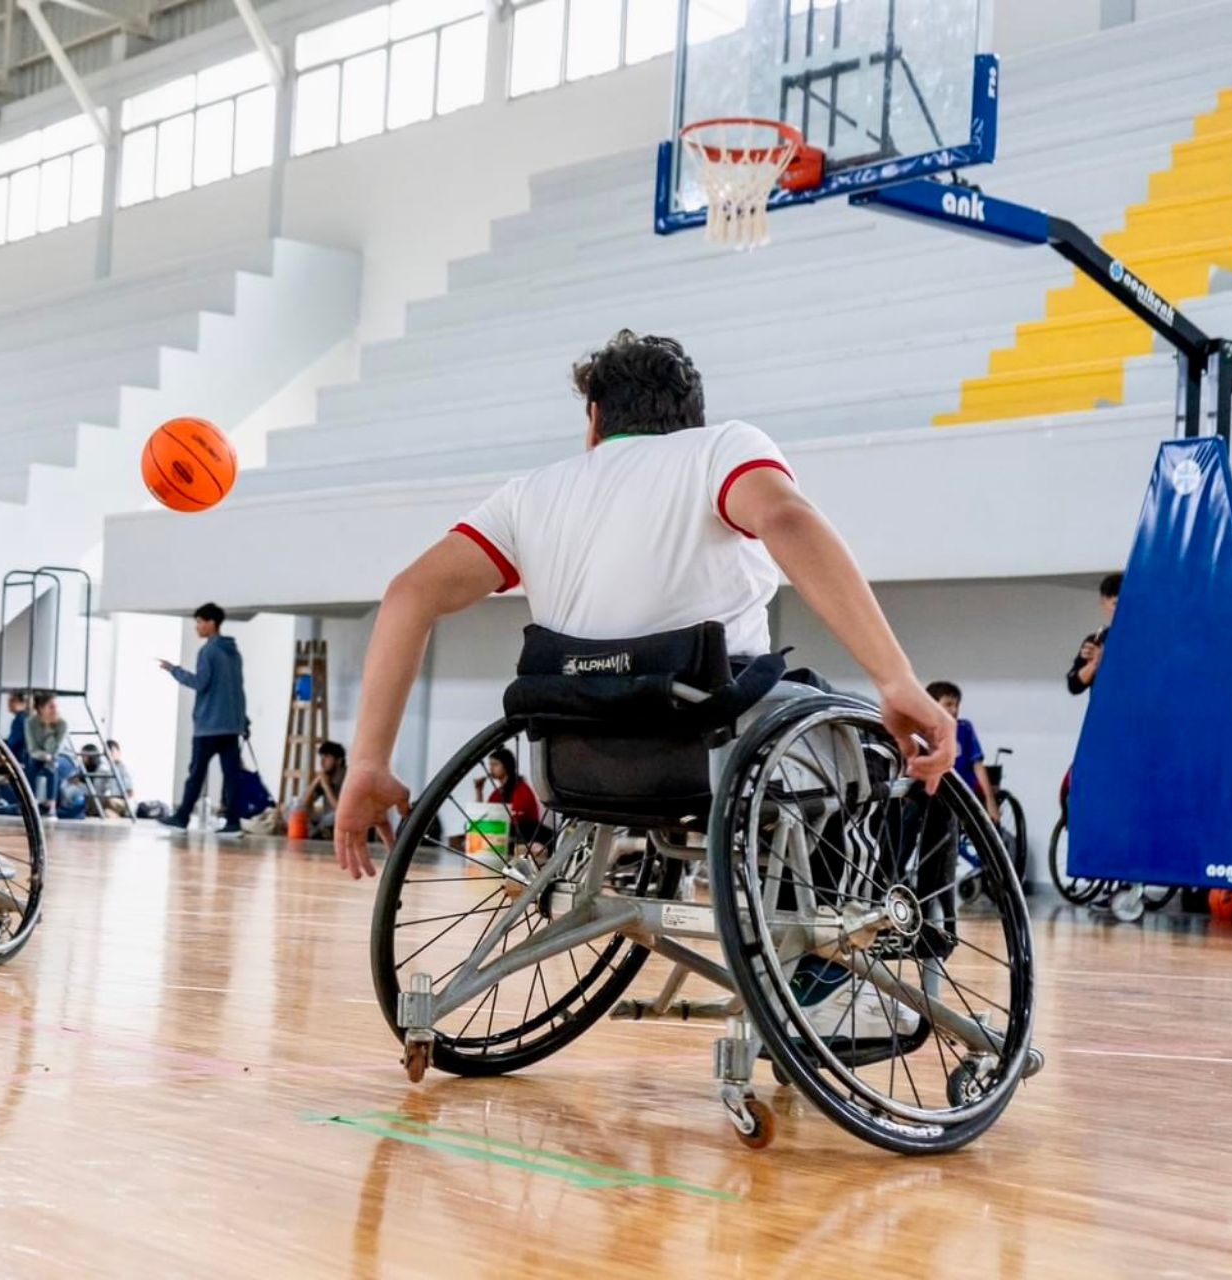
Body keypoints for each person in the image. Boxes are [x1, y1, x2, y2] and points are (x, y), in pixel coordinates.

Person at [332, 330, 956, 1035]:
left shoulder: (529, 495)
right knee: (878, 755)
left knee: (794, 716)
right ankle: (828, 983)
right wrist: (896, 679)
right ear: (691, 418)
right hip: (714, 753)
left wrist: (369, 762)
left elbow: (408, 594)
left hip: (577, 768)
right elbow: (786, 517)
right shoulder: (720, 449)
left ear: (594, 417)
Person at [158, 603, 249, 838]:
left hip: (209, 726)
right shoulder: (234, 653)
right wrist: (243, 721)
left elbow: (200, 683)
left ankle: (182, 817)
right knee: (231, 776)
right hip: (231, 726)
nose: (197, 627)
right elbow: (238, 689)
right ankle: (233, 823)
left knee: (196, 774)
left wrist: (174, 670)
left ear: (211, 623)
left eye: (199, 622)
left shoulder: (208, 651)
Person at [927, 680, 1000, 822]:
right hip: (933, 790)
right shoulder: (922, 730)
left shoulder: (964, 728)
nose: (954, 710)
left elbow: (977, 765)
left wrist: (990, 800)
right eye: (948, 704)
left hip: (961, 790)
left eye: (957, 705)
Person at [474, 746, 543, 848]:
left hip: (524, 836)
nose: (491, 769)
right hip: (505, 835)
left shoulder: (521, 789)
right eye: (490, 765)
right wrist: (479, 791)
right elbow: (482, 815)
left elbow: (516, 818)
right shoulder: (497, 793)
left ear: (506, 766)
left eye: (495, 764)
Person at [1067, 573, 1121, 695]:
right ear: (1103, 603)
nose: (1122, 609)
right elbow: (1074, 686)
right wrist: (1095, 663)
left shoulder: (1147, 639)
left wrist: (1107, 659)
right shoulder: (1096, 640)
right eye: (1116, 604)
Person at [25, 695, 69, 815]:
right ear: (41, 708)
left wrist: (49, 728)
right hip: (39, 757)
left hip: (62, 757)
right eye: (51, 707)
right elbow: (32, 749)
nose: (55, 710)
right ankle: (31, 802)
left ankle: (51, 805)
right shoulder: (30, 722)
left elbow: (56, 749)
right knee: (31, 766)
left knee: (52, 767)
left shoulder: (62, 723)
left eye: (56, 706)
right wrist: (44, 756)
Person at [304, 741, 348, 838]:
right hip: (325, 820)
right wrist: (315, 782)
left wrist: (326, 786)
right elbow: (304, 803)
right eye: (321, 757)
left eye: (327, 757)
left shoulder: (348, 778)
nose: (322, 761)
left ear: (339, 760)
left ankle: (317, 833)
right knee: (295, 809)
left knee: (336, 816)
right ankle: (317, 833)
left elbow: (342, 811)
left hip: (342, 819)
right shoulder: (326, 775)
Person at [80, 741, 133, 818]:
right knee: (106, 813)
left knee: (108, 801)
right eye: (106, 752)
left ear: (118, 752)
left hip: (121, 801)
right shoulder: (105, 768)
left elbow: (130, 793)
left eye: (112, 751)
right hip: (108, 802)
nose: (109, 754)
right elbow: (98, 789)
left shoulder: (124, 768)